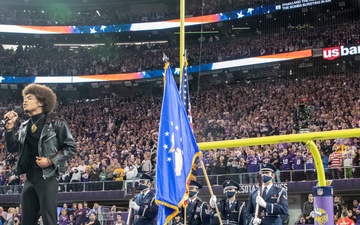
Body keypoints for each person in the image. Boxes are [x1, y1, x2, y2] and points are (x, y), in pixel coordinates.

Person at [4, 83, 77, 225]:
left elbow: (71, 148)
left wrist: (50, 160)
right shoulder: (25, 126)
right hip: (29, 178)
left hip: (47, 177)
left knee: (49, 220)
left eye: (29, 98)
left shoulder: (57, 124)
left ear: (42, 102)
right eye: (24, 98)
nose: (25, 100)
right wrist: (9, 129)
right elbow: (13, 148)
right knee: (27, 221)